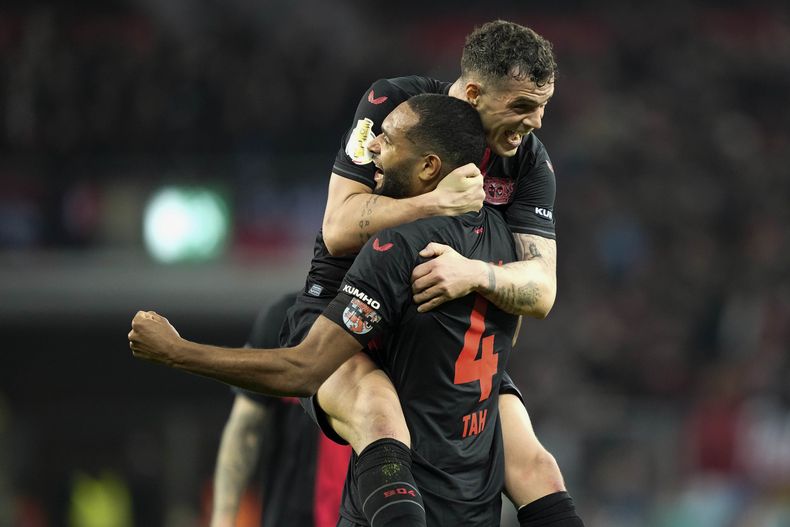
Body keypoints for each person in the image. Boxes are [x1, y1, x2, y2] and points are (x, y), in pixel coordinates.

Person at [130, 94, 525, 525]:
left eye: (389, 140)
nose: (372, 146)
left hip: (393, 503)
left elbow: (303, 370)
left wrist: (176, 351)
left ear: (429, 166)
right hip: (470, 501)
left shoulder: (396, 249)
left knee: (375, 410)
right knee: (536, 466)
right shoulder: (503, 246)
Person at [292, 19, 583, 527]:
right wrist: (434, 203)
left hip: (443, 339)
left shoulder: (528, 164)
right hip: (347, 320)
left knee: (538, 469)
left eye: (543, 106)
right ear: (473, 93)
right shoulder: (394, 107)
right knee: (379, 415)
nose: (536, 121)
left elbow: (541, 289)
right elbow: (338, 228)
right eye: (522, 105)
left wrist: (476, 275)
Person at [210, 293, 351, 527]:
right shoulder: (285, 317)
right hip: (290, 515)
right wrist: (222, 520)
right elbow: (245, 428)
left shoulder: (394, 322)